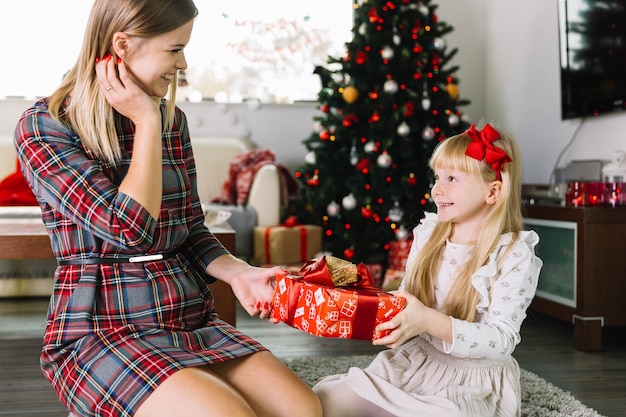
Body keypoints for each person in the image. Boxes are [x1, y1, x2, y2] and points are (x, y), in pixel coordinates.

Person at [13, 1, 321, 417]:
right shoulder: (45, 125)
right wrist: (145, 123)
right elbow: (130, 230)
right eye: (174, 49)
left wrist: (241, 274)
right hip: (102, 326)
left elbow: (190, 227)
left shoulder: (172, 121)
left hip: (184, 313)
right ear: (122, 45)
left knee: (302, 410)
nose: (184, 63)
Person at [313, 123, 543, 417]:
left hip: (473, 380)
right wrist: (357, 300)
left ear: (492, 191)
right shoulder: (429, 232)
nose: (437, 188)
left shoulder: (513, 253)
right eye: (436, 177)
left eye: (452, 178)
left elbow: (502, 341)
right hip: (420, 361)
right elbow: (405, 299)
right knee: (323, 399)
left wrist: (426, 320)